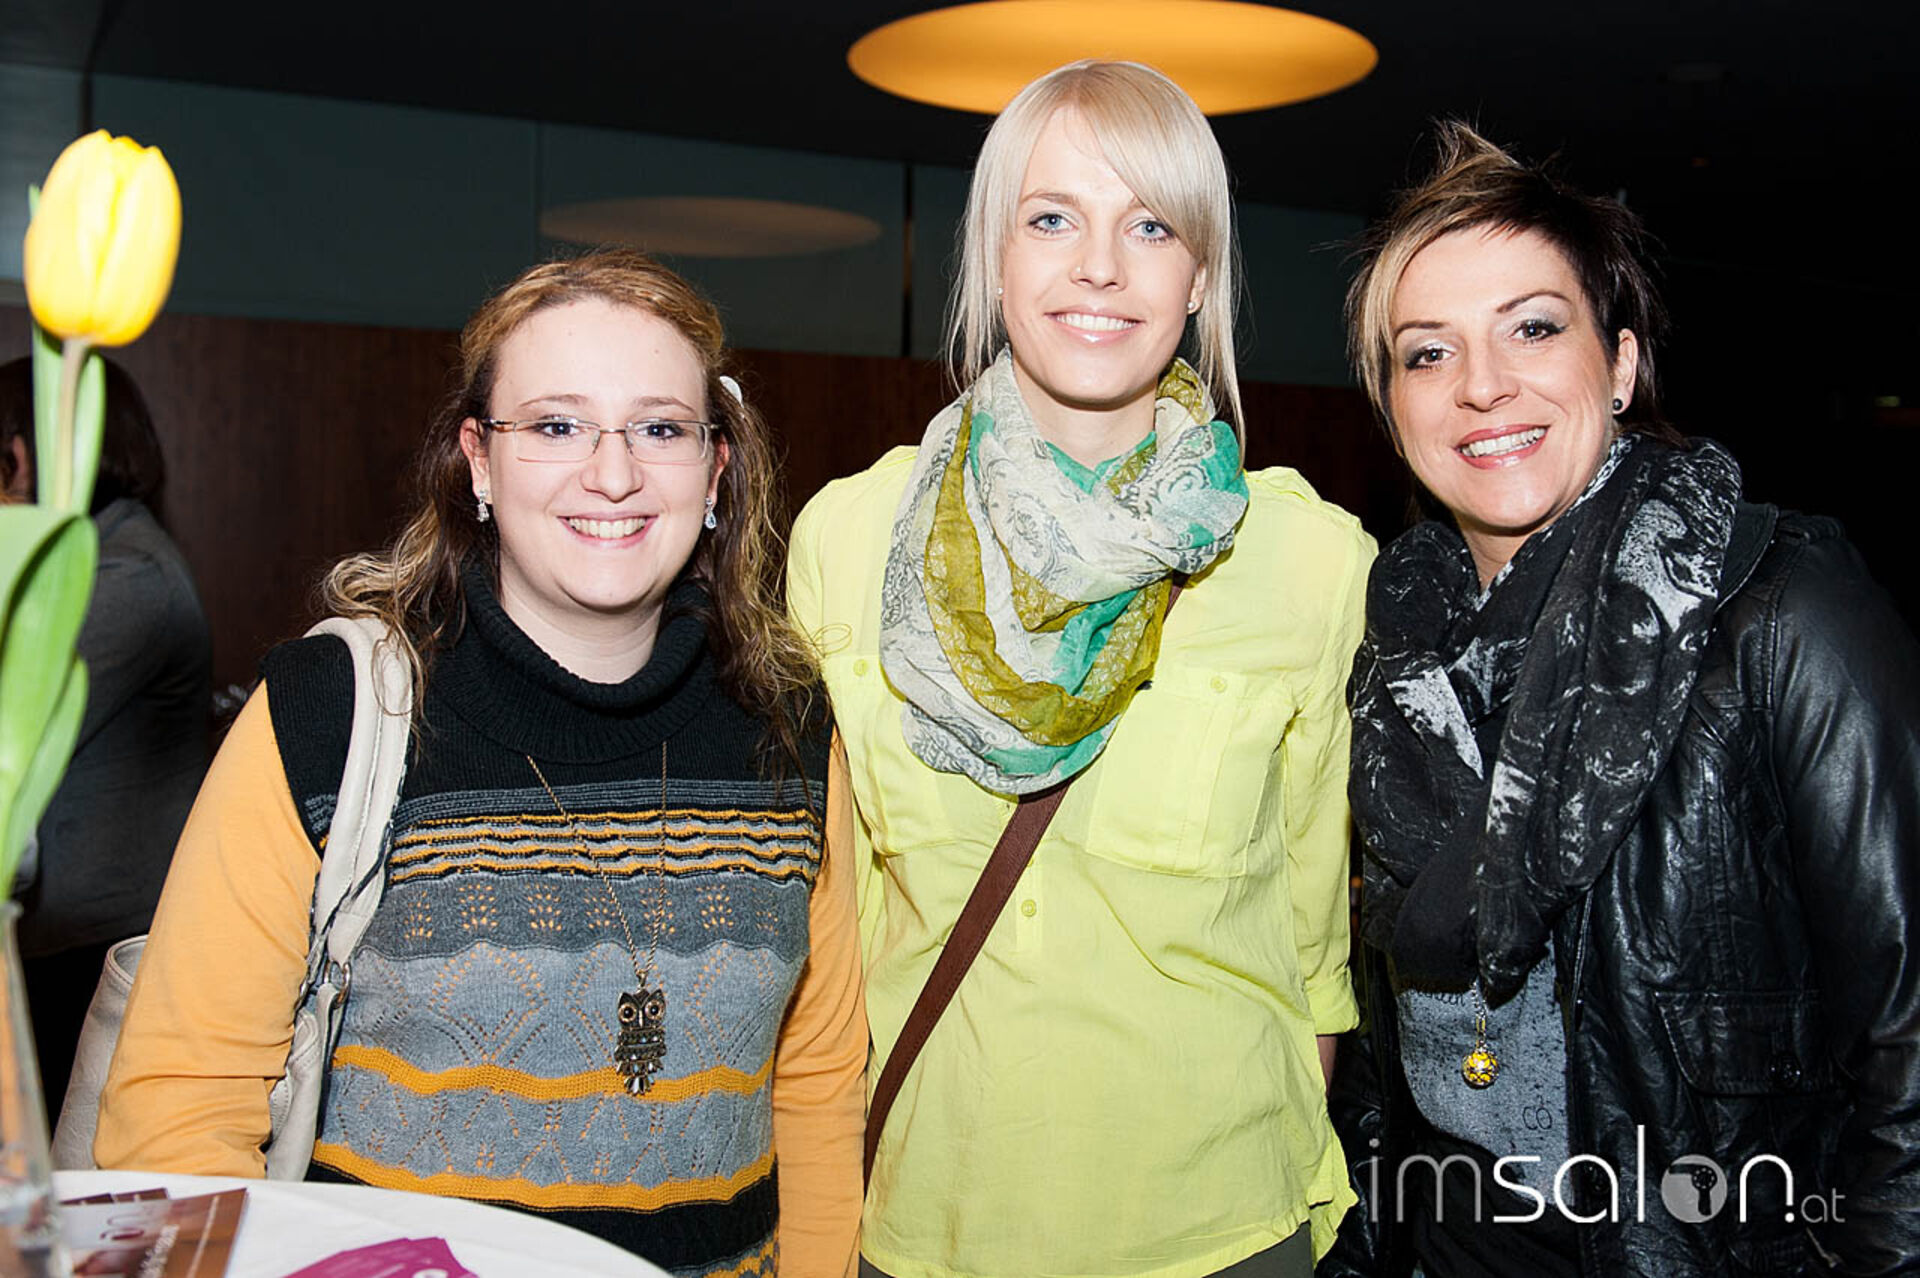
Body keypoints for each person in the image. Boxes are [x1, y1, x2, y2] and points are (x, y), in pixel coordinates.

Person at [95, 250, 867, 1278]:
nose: (613, 474)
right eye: (555, 426)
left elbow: (815, 1085)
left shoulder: (791, 726)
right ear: (479, 463)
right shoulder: (332, 715)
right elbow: (181, 1107)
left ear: (716, 468)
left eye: (660, 428)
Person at [788, 60, 1373, 1278]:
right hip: (930, 1220)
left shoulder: (1307, 560)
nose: (1100, 266)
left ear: (1198, 276)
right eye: (1052, 218)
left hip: (1225, 1225)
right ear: (995, 257)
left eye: (1150, 227)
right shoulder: (849, 540)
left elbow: (1315, 952)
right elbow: (834, 931)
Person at [1322, 123, 1920, 1276]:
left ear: (1623, 363)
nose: (1482, 384)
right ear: (1391, 405)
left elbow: (1907, 1045)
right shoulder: (1391, 659)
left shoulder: (1783, 615)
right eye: (1428, 353)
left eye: (1534, 328)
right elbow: (1388, 1057)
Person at [0, 356, 212, 1117]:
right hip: (58, 938)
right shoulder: (88, 561)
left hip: (92, 949)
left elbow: (12, 720)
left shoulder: (128, 575)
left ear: (25, 452)